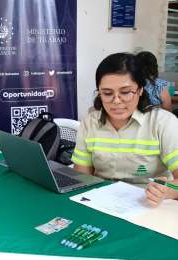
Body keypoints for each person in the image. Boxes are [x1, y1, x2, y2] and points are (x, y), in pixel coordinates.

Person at [71, 53, 178, 207]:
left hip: (147, 204)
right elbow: (82, 177)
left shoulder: (163, 123)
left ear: (140, 90)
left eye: (126, 92)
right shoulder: (91, 122)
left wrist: (167, 190)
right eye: (107, 93)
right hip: (101, 201)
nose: (116, 101)